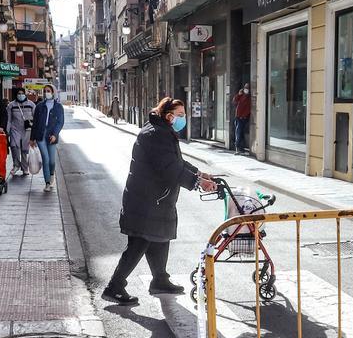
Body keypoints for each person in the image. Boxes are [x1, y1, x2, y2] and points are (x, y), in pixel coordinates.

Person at [103, 97, 217, 304]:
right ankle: (114, 286)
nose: (183, 119)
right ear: (169, 116)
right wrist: (199, 182)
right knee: (140, 242)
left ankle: (159, 280)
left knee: (160, 238)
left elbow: (177, 162)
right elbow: (170, 169)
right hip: (146, 201)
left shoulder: (161, 131)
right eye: (181, 115)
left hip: (154, 199)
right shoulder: (156, 135)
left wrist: (199, 173)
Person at [29, 85, 65, 192]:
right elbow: (35, 123)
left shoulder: (58, 106)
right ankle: (47, 183)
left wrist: (55, 134)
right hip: (40, 135)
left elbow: (60, 122)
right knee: (46, 158)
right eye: (44, 91)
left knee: (52, 161)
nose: (46, 93)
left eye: (48, 91)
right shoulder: (39, 106)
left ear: (53, 92)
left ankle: (51, 173)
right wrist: (32, 138)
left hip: (51, 136)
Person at [6, 87, 34, 176]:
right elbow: (9, 120)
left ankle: (25, 168)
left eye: (22, 93)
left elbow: (36, 118)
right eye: (19, 93)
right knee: (14, 146)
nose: (21, 95)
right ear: (16, 94)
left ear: (25, 94)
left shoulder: (31, 104)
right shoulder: (11, 105)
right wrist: (7, 131)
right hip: (15, 129)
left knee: (25, 149)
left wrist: (35, 133)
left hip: (27, 130)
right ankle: (16, 165)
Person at [232, 83, 251, 154]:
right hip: (238, 117)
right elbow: (234, 101)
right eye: (245, 88)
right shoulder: (241, 95)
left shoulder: (249, 97)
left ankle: (240, 149)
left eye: (247, 88)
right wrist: (238, 94)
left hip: (244, 118)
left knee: (240, 133)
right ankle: (238, 149)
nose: (246, 89)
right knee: (238, 132)